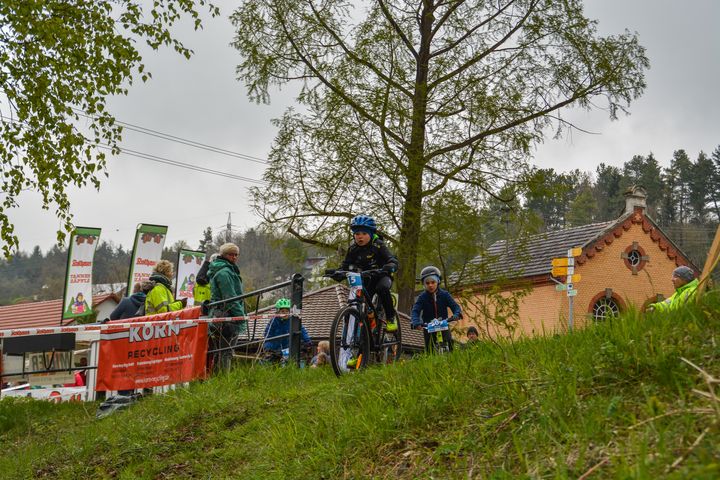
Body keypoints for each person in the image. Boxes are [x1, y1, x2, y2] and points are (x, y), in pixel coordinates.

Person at [330, 214, 399, 332]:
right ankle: (367, 327)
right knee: (361, 300)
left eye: (364, 233)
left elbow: (391, 259)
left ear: (371, 234)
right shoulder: (353, 249)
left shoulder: (378, 245)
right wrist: (337, 273)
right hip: (365, 278)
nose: (360, 237)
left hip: (382, 276)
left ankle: (391, 318)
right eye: (357, 234)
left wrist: (391, 265)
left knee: (382, 289)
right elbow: (345, 266)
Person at [208, 243, 246, 371]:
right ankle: (224, 379)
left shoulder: (226, 270)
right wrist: (241, 316)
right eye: (231, 254)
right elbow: (230, 297)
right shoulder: (225, 272)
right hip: (227, 315)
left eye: (236, 255)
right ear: (224, 255)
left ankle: (217, 378)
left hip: (220, 314)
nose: (234, 257)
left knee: (220, 352)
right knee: (226, 352)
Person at [411, 265, 462, 353]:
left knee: (449, 342)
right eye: (427, 283)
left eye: (433, 282)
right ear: (424, 284)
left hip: (443, 323)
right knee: (429, 349)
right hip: (428, 326)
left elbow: (455, 307)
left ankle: (451, 356)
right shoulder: (422, 297)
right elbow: (415, 311)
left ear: (438, 281)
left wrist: (456, 314)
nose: (430, 285)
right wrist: (416, 322)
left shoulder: (445, 295)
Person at [263, 298, 312, 363]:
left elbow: (302, 330)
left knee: (296, 359)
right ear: (278, 312)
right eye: (282, 311)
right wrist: (269, 347)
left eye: (287, 311)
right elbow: (268, 335)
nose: (285, 313)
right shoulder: (273, 321)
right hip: (276, 347)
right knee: (270, 360)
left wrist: (307, 341)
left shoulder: (293, 321)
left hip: (289, 347)